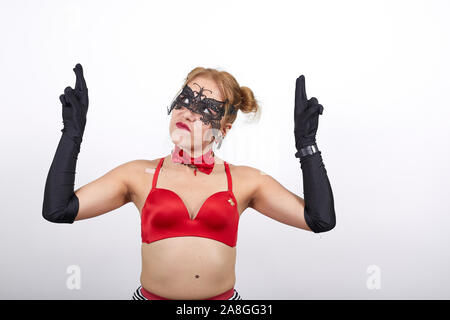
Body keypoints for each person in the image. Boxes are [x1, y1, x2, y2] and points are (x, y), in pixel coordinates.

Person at [42, 63, 336, 300]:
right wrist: (72, 134)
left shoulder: (246, 180)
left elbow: (320, 219)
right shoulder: (136, 174)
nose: (188, 112)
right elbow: (58, 210)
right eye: (184, 100)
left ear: (225, 128)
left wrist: (306, 145)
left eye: (206, 108)